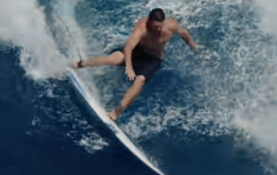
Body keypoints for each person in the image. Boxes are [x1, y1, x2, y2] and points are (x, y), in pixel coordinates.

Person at [71, 8, 202, 121]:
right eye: (155, 26)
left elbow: (184, 34)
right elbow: (129, 46)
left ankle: (116, 112)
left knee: (140, 79)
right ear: (149, 22)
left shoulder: (171, 25)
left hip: (153, 59)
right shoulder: (142, 27)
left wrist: (195, 47)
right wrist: (129, 66)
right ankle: (79, 64)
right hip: (139, 51)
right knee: (114, 58)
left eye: (160, 26)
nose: (158, 29)